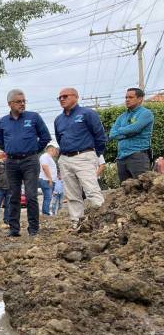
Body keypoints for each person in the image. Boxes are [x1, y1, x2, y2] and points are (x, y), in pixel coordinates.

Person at [0, 89, 51, 237]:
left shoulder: (34, 117)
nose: (22, 104)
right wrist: (12, 150)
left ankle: (33, 229)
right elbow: (1, 143)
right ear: (10, 104)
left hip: (30, 162)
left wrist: (33, 150)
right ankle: (14, 229)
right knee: (13, 196)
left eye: (24, 101)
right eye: (18, 101)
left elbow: (45, 137)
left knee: (31, 195)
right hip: (11, 163)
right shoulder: (3, 122)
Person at [54, 87, 107, 230]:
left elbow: (100, 136)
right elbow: (60, 139)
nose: (62, 99)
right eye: (60, 97)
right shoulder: (58, 120)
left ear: (76, 97)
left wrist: (95, 154)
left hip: (84, 156)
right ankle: (76, 222)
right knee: (72, 194)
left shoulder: (88, 113)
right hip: (65, 158)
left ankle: (103, 222)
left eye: (65, 96)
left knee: (91, 190)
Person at [109, 88, 155, 182]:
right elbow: (112, 134)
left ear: (140, 99)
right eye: (126, 97)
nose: (127, 100)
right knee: (125, 190)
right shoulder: (121, 116)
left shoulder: (146, 113)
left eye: (130, 97)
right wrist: (127, 133)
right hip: (121, 158)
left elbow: (135, 128)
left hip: (138, 156)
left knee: (142, 187)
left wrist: (121, 130)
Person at [38, 144, 59, 216]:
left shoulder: (49, 157)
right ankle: (45, 212)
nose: (56, 153)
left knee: (48, 197)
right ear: (51, 150)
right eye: (55, 151)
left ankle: (45, 212)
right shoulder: (45, 156)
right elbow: (45, 167)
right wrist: (50, 179)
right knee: (48, 197)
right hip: (46, 180)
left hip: (49, 180)